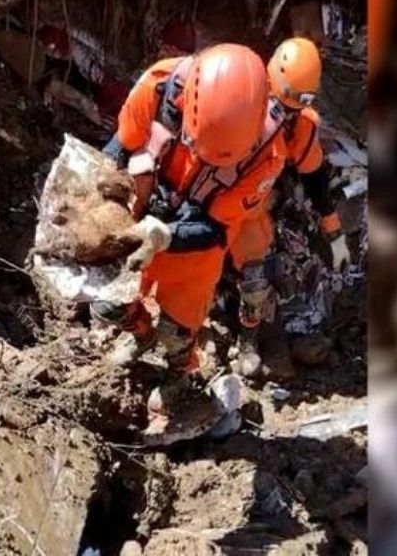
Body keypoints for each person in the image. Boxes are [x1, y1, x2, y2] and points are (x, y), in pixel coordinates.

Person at [93, 43, 284, 440]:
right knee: (108, 306)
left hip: (196, 245)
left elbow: (216, 228)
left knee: (178, 333)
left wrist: (164, 235)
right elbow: (121, 145)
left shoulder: (267, 156)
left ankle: (180, 372)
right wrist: (100, 191)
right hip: (138, 219)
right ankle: (141, 336)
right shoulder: (160, 85)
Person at [229, 37, 350, 376]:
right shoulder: (235, 97)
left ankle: (248, 339)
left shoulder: (301, 124)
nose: (281, 115)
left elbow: (315, 180)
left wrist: (334, 231)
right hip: (214, 194)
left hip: (254, 206)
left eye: (291, 108)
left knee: (257, 274)